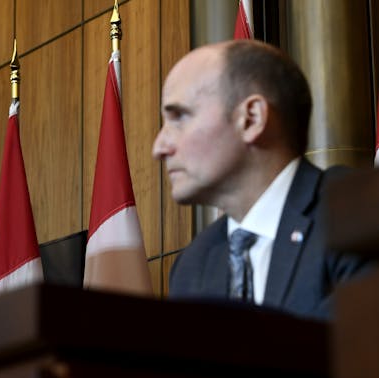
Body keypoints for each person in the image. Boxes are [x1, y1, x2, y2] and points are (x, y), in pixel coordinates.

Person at [152, 39, 369, 320]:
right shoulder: (193, 265)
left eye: (179, 117)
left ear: (251, 119)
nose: (159, 147)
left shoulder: (358, 213)